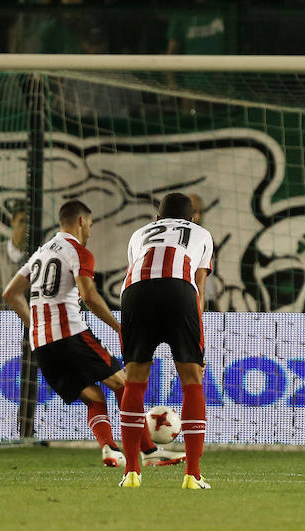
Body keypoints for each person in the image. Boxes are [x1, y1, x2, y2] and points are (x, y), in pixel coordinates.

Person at [2, 200, 182, 469]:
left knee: (94, 397)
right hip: (70, 335)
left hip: (42, 344)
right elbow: (89, 296)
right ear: (82, 222)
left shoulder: (40, 253)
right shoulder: (78, 251)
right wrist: (120, 327)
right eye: (91, 225)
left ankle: (110, 448)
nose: (90, 232)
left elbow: (11, 293)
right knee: (124, 385)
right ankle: (149, 450)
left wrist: (35, 325)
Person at [117, 192, 214, 489]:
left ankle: (132, 472)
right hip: (178, 291)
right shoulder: (202, 234)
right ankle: (192, 475)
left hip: (135, 293)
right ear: (193, 218)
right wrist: (200, 337)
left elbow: (137, 270)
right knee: (191, 378)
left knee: (134, 380)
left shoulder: (139, 234)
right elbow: (199, 285)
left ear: (157, 218)